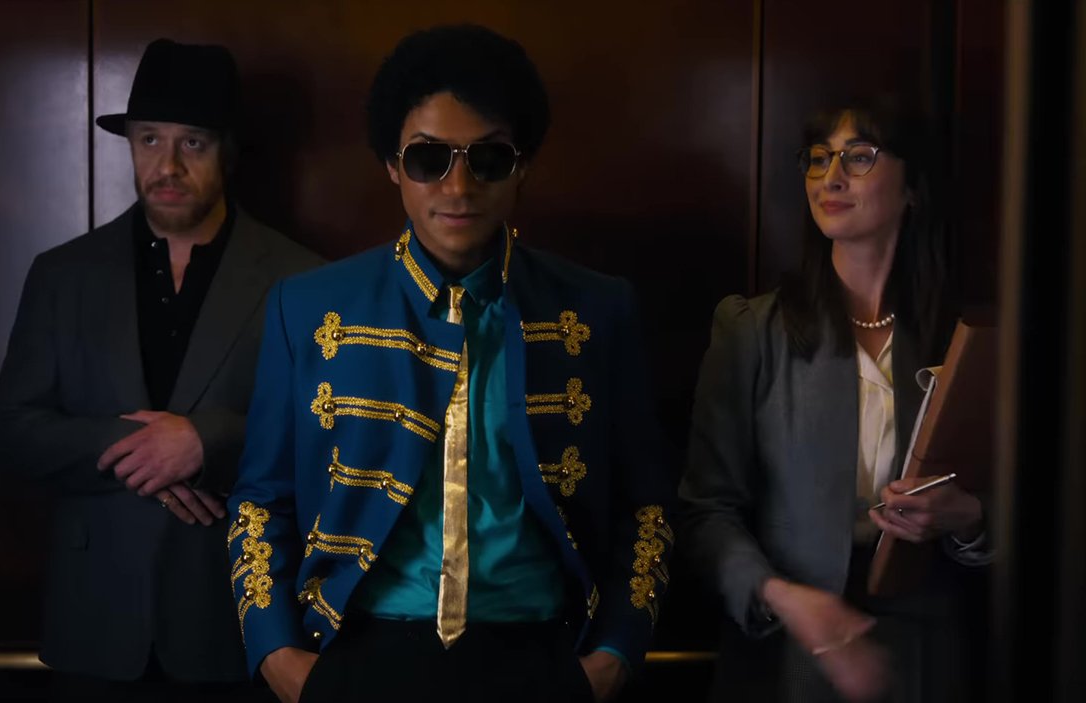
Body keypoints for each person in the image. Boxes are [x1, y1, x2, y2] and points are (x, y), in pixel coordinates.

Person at [224, 24, 675, 703]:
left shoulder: (598, 309)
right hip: (357, 657)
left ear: (522, 164)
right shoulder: (308, 308)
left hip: (545, 659)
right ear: (391, 164)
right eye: (428, 158)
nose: (458, 185)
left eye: (488, 158)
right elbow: (262, 499)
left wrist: (613, 656)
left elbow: (647, 505)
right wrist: (280, 659)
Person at [0, 38, 322, 701]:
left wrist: (206, 441)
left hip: (236, 627)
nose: (166, 165)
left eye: (192, 143)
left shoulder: (304, 279)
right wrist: (138, 447)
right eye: (148, 140)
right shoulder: (61, 275)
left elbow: (331, 436)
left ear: (228, 151)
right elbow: (13, 432)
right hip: (95, 628)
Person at [677, 96, 992, 703]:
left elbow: (1027, 499)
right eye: (819, 159)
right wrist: (782, 597)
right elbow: (704, 511)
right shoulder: (752, 330)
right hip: (786, 647)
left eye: (859, 156)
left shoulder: (962, 338)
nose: (831, 176)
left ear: (912, 187)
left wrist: (971, 517)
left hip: (929, 651)